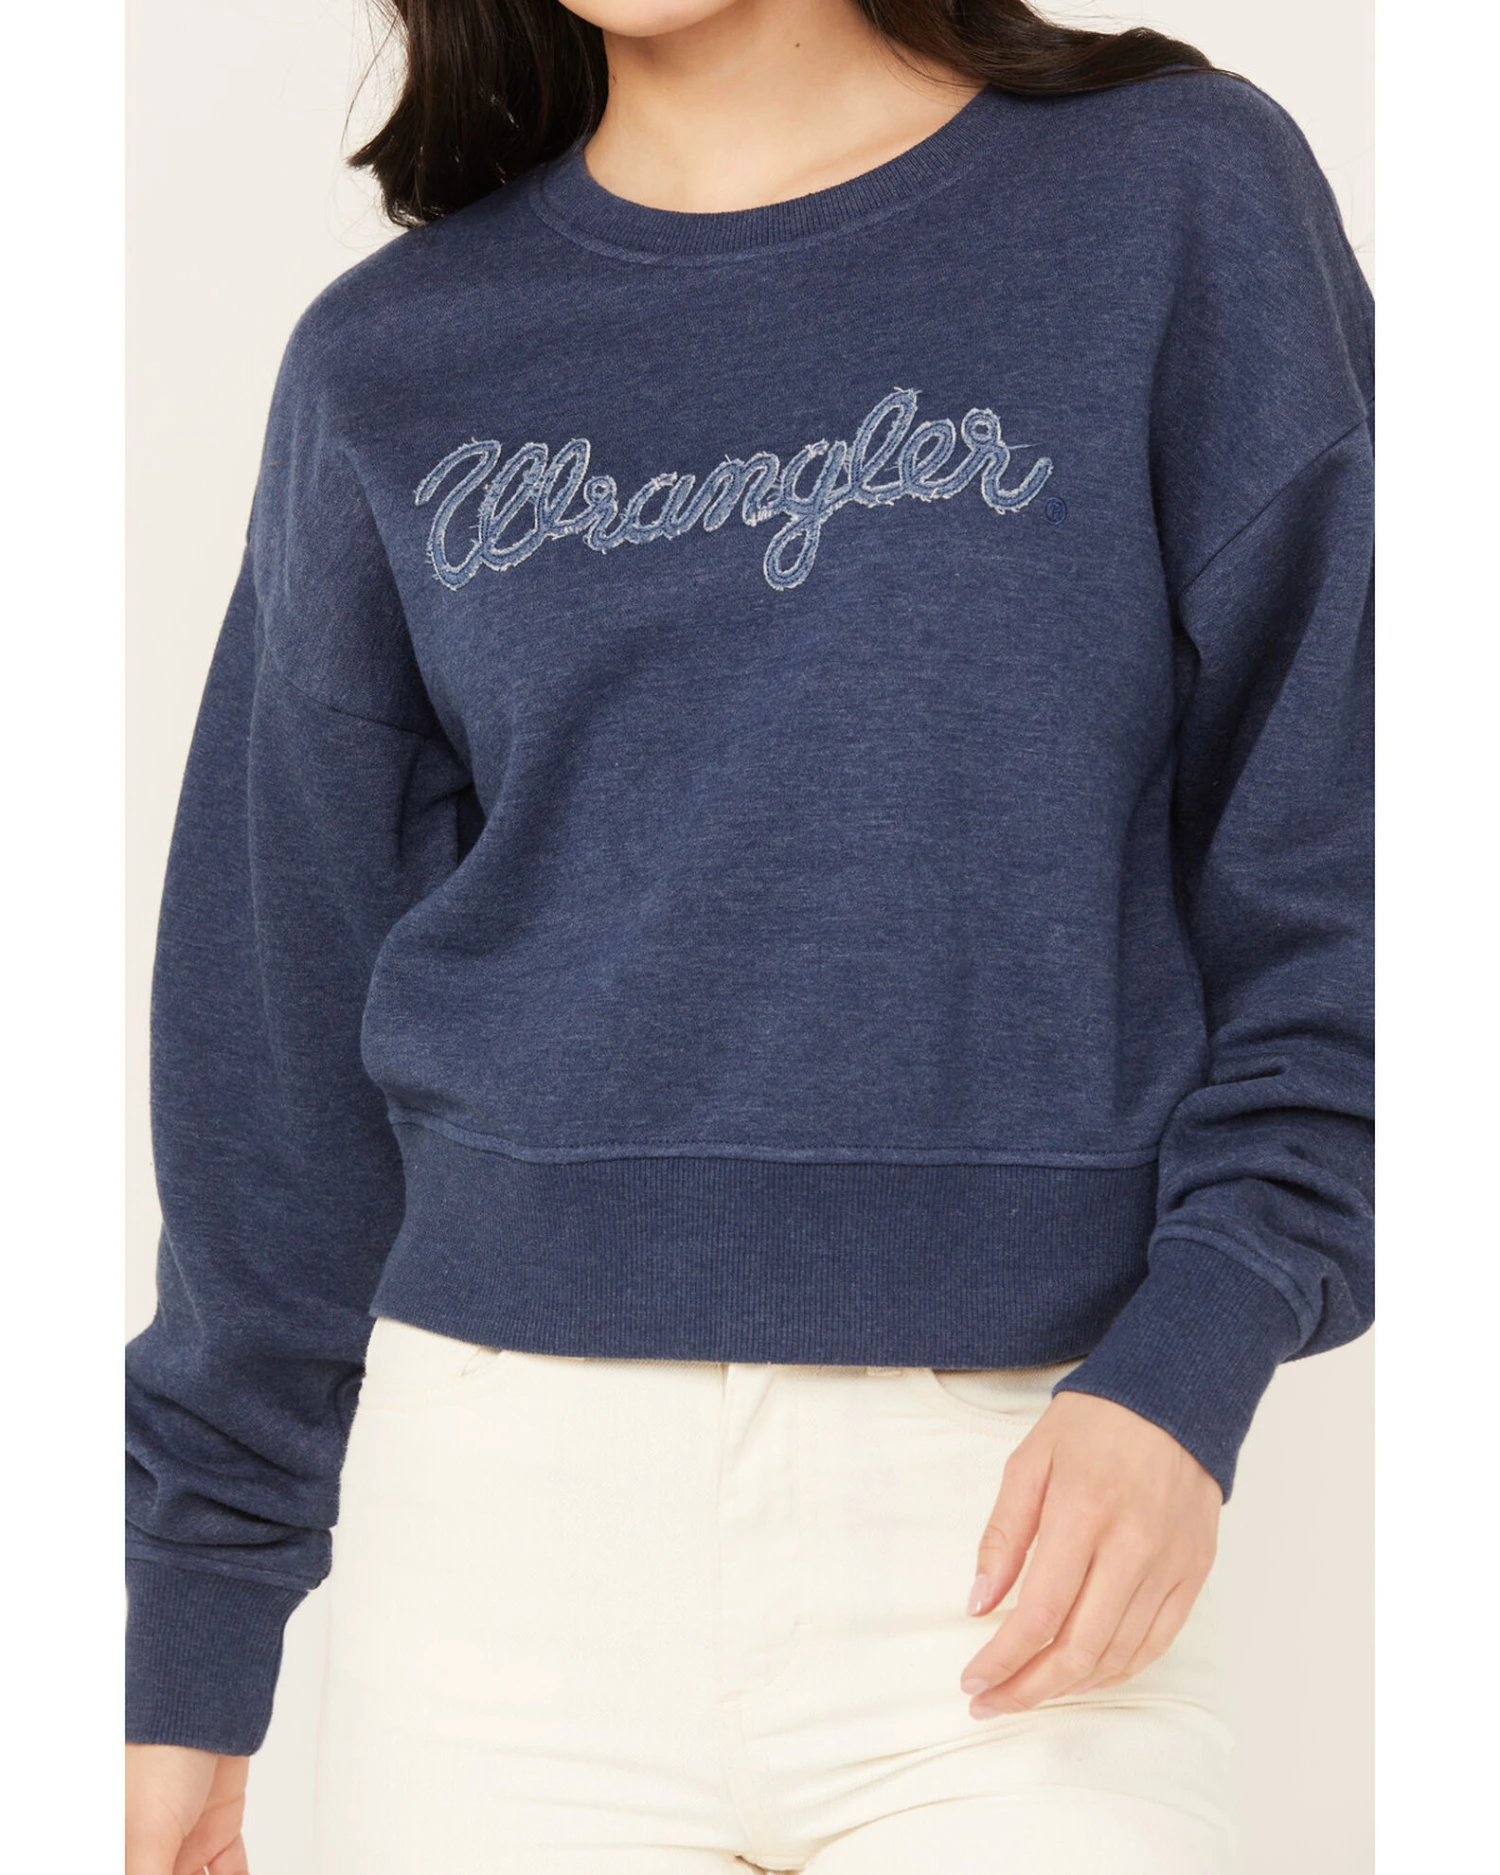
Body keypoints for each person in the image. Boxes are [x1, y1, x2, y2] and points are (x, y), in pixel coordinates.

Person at [123, 1, 1375, 1870]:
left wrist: (1196, 1356)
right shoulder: (392, 359)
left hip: (1023, 1511)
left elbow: (1354, 855)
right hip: (495, 1564)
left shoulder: (1172, 200)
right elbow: (270, 1050)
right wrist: (188, 1639)